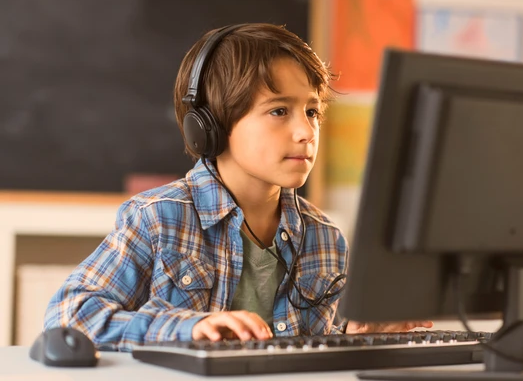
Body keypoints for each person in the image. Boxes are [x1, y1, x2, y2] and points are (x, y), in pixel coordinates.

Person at [44, 23, 432, 351]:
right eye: (279, 111)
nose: (305, 132)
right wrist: (187, 329)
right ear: (209, 125)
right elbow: (69, 317)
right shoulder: (159, 218)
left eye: (312, 111)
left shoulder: (324, 238)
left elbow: (313, 351)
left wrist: (356, 336)